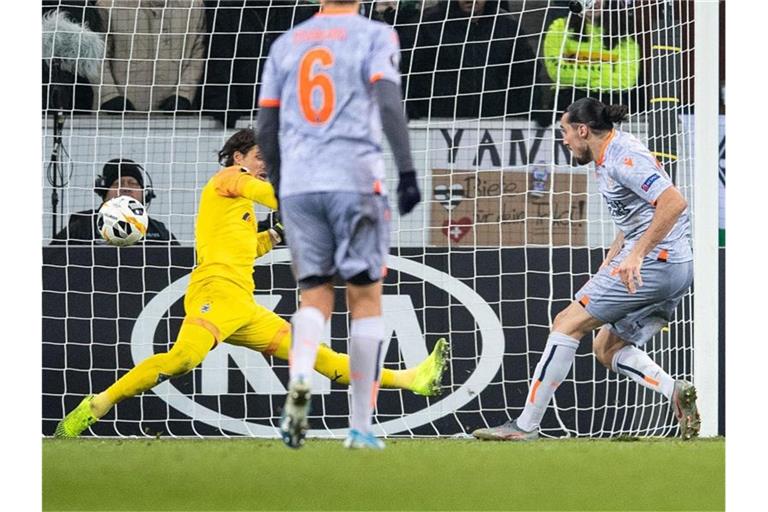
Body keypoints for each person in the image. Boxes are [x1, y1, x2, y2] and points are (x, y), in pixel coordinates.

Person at [55, 129, 444, 438]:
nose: (265, 165)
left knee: (316, 356)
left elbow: (246, 247)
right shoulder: (229, 178)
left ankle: (412, 378)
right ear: (239, 158)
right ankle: (96, 406)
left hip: (241, 304)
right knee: (183, 360)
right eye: (261, 157)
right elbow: (268, 193)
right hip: (215, 290)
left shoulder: (236, 209)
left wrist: (274, 236)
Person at [473, 97, 700, 441]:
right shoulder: (611, 153)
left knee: (566, 323)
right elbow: (637, 212)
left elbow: (673, 203)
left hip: (655, 263)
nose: (563, 140)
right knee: (606, 349)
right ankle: (674, 391)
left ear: (582, 130)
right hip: (674, 267)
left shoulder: (624, 158)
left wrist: (636, 254)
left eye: (565, 132)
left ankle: (525, 426)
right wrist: (614, 255)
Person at [255, 0, 422, 450]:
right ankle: (361, 427)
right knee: (365, 298)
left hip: (299, 185)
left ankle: (301, 378)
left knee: (314, 295)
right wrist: (406, 169)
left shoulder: (285, 43)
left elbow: (265, 123)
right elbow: (388, 101)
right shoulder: (374, 35)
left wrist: (280, 179)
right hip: (353, 179)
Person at [405, 0, 537, 120]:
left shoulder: (507, 25)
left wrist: (533, 106)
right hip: (437, 121)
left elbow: (526, 71)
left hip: (494, 122)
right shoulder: (429, 23)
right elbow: (406, 67)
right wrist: (407, 105)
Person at [96, 0, 206, 112]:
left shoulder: (194, 6)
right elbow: (96, 56)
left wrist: (184, 94)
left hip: (176, 116)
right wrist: (109, 95)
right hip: (117, 116)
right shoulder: (108, 5)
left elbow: (197, 54)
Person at [51, 158, 178, 245]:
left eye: (133, 183)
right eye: (118, 183)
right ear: (104, 192)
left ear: (145, 193)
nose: (125, 188)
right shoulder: (82, 226)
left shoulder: (158, 230)